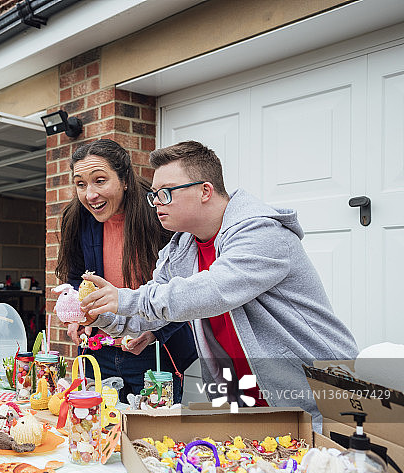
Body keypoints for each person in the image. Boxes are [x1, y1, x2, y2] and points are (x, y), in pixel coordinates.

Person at [79, 140, 358, 426]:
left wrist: (125, 298)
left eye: (166, 193)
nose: (157, 202)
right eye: (154, 195)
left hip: (320, 400)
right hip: (244, 404)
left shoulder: (261, 232)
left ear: (205, 191)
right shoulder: (180, 250)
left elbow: (214, 291)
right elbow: (148, 314)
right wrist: (100, 315)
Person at [56, 138, 198, 404]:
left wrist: (155, 332)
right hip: (99, 349)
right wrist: (77, 315)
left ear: (124, 180)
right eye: (80, 184)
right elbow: (75, 277)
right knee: (96, 423)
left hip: (155, 349)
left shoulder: (159, 215)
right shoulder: (76, 218)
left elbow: (186, 288)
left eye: (100, 181)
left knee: (153, 427)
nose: (90, 194)